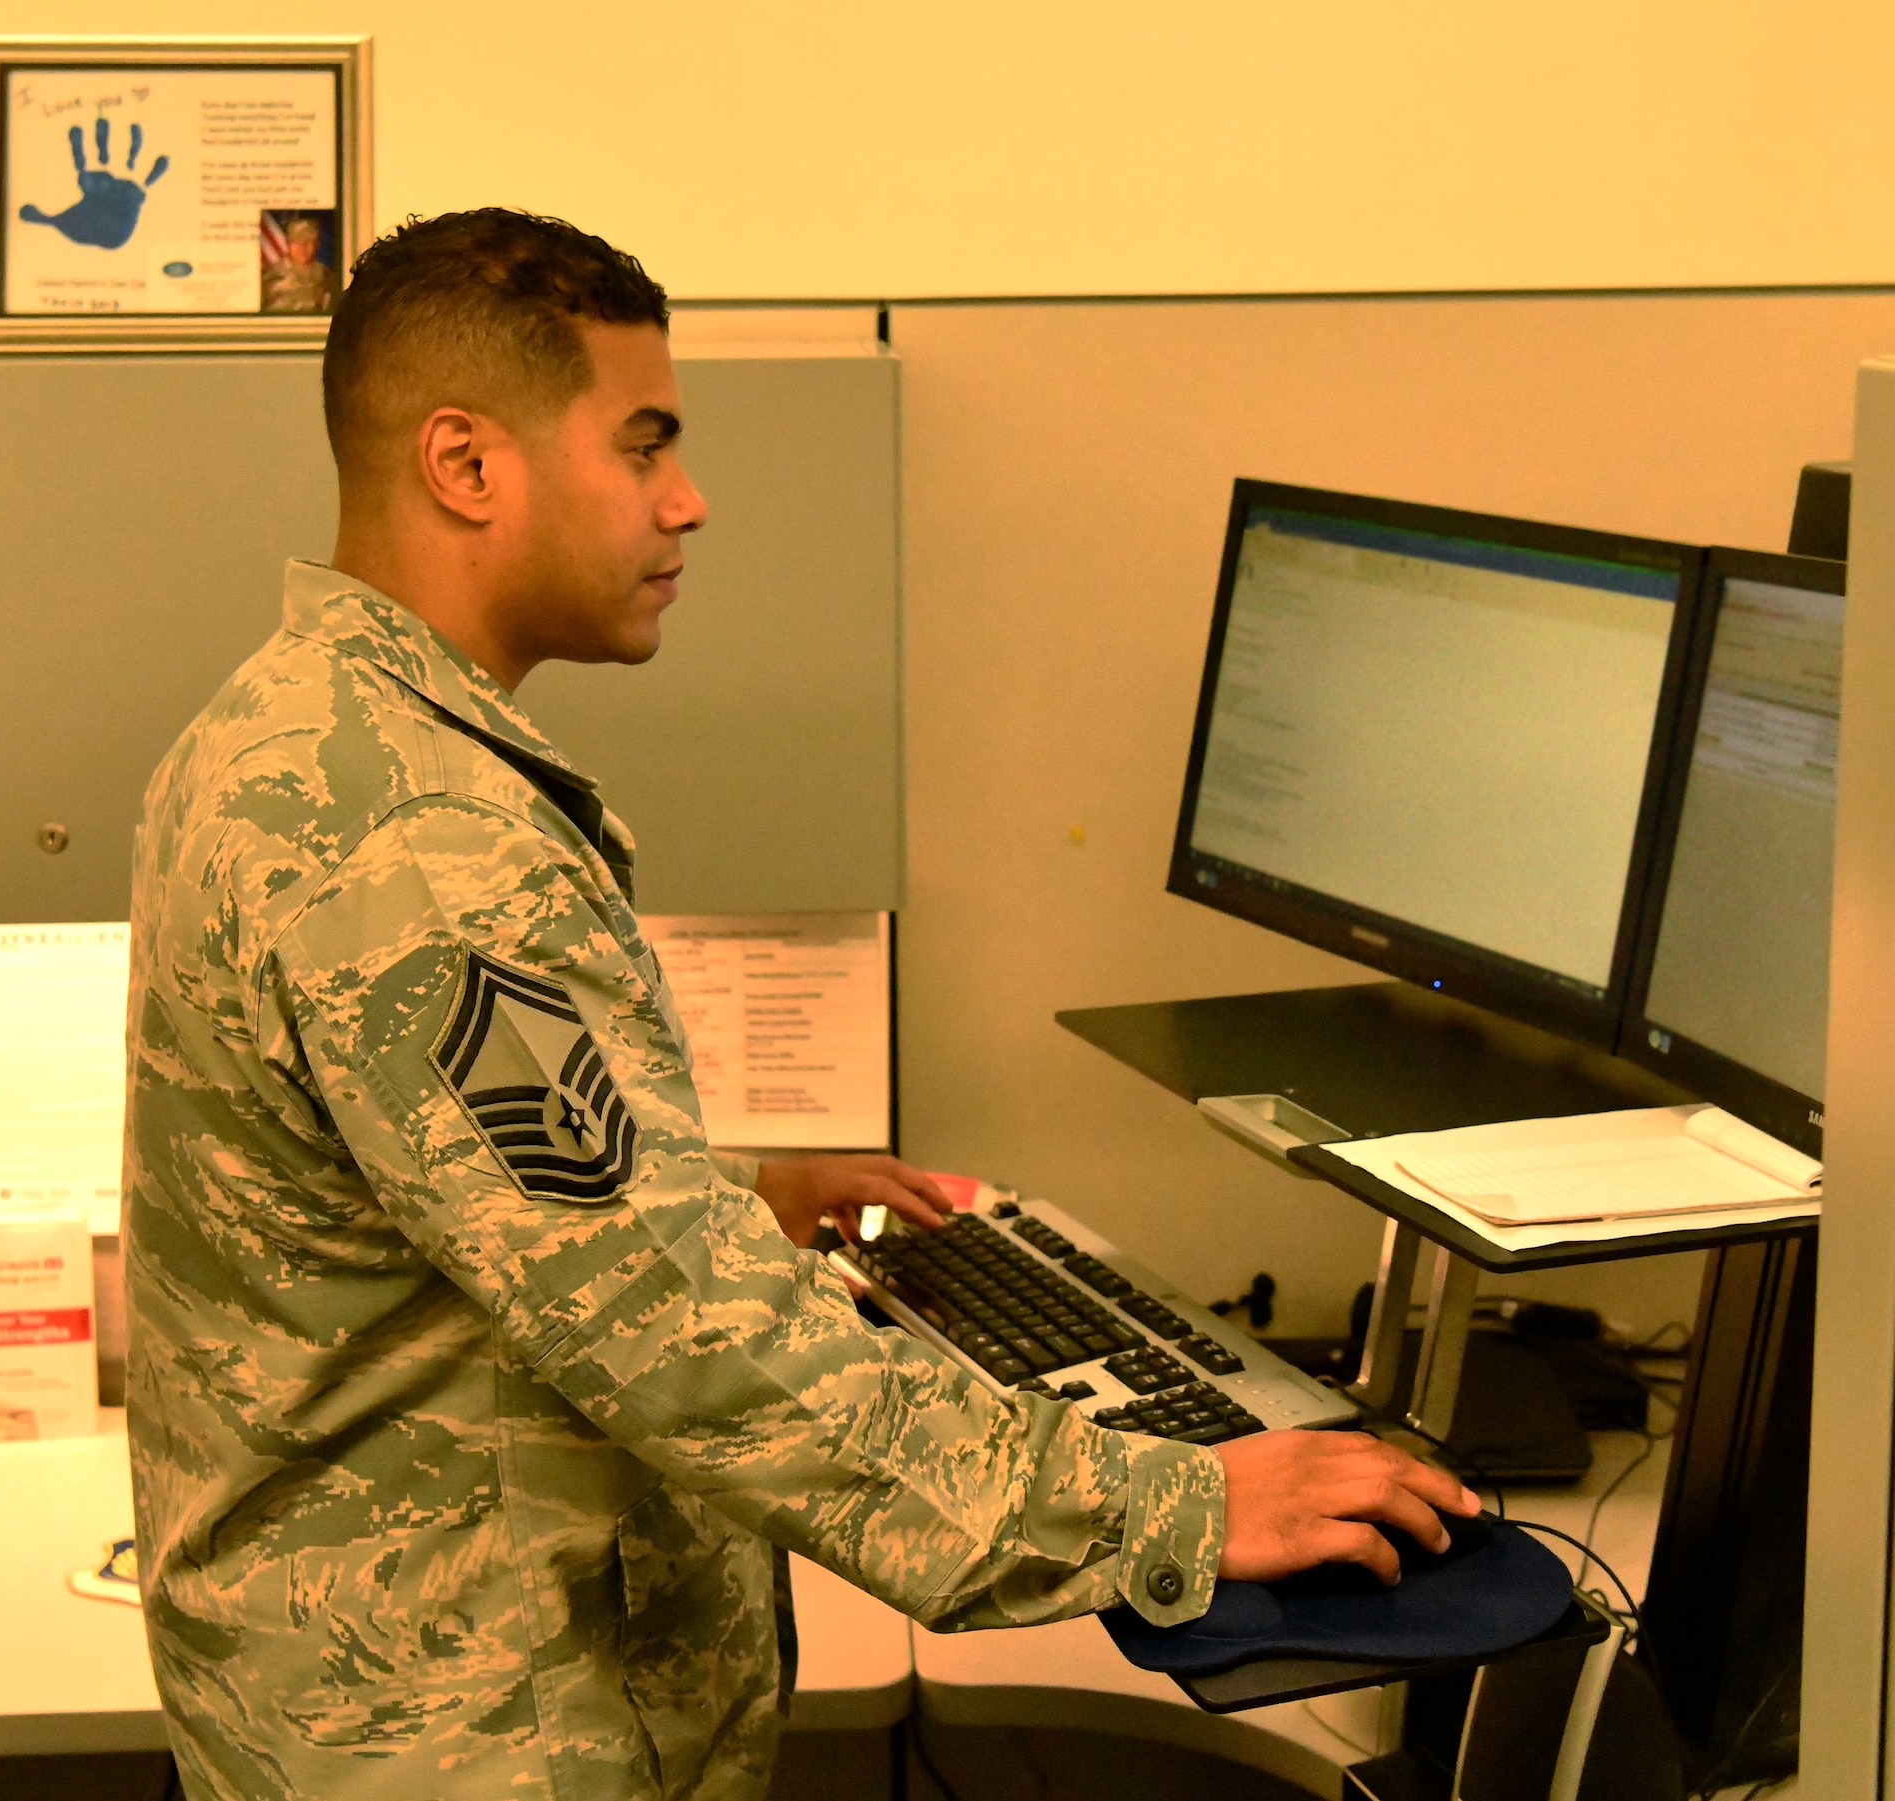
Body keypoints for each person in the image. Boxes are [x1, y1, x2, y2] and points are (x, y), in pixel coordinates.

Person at [123, 207, 1476, 1801]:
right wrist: (1177, 1510)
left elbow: (458, 1195)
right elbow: (696, 1351)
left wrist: (722, 1195)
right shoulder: (419, 842)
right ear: (468, 466)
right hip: (464, 1738)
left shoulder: (298, 728)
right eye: (642, 446)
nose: (686, 501)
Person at [261, 213, 335, 313]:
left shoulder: (327, 278)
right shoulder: (268, 277)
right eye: (297, 241)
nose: (302, 247)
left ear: (317, 244)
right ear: (288, 243)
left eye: (309, 241)